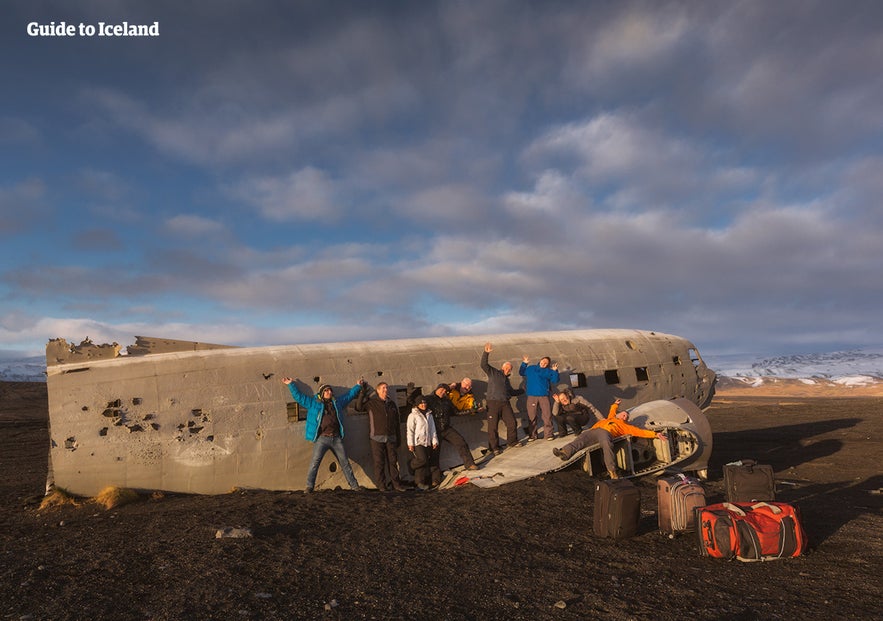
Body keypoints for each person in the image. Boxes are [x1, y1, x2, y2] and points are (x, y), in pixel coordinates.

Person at [282, 377, 364, 493]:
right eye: (326, 391)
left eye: (330, 390)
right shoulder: (313, 403)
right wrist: (290, 384)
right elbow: (299, 397)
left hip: (336, 438)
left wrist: (358, 386)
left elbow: (348, 396)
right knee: (315, 463)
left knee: (345, 463)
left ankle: (354, 486)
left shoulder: (337, 403)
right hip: (322, 438)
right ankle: (309, 487)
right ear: (321, 393)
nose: (329, 392)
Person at [552, 399, 667, 479]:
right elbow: (612, 410)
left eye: (626, 416)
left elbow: (640, 432)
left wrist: (655, 434)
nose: (624, 416)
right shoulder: (611, 417)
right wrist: (615, 405)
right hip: (593, 431)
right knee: (580, 439)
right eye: (623, 414)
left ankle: (612, 471)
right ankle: (565, 453)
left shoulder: (625, 426)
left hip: (605, 433)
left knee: (607, 445)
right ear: (618, 415)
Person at [357, 380, 406, 492]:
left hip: (391, 437)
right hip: (376, 437)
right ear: (378, 390)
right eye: (383, 388)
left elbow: (396, 422)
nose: (386, 390)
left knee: (393, 462)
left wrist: (398, 438)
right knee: (379, 462)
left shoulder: (392, 404)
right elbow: (358, 407)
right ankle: (381, 486)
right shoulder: (372, 403)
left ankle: (396, 485)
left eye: (386, 388)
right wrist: (362, 394)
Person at [480, 342, 524, 454]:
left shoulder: (507, 381)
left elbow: (511, 392)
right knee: (493, 427)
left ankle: (512, 442)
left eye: (510, 369)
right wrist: (486, 353)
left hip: (505, 403)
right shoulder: (494, 373)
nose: (509, 370)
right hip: (493, 403)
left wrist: (523, 390)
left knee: (512, 423)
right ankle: (494, 448)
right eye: (507, 368)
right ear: (502, 367)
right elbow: (483, 365)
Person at [426, 383, 479, 471]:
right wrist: (409, 394)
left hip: (446, 428)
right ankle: (435, 478)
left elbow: (456, 412)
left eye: (445, 391)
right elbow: (416, 403)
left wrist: (471, 411)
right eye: (442, 390)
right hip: (434, 430)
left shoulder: (447, 401)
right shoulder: (429, 399)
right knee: (435, 453)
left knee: (461, 442)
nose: (443, 392)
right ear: (437, 389)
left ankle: (470, 464)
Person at [519, 354, 560, 441]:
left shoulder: (548, 371)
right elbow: (521, 372)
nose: (544, 363)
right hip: (532, 396)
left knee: (547, 415)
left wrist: (555, 371)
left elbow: (555, 380)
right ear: (540, 360)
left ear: (547, 365)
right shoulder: (531, 368)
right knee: (532, 416)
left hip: (543, 396)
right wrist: (524, 363)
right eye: (543, 361)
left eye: (546, 363)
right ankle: (532, 435)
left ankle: (549, 434)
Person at [406, 395, 440, 490]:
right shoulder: (413, 415)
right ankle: (411, 465)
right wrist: (410, 443)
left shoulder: (429, 414)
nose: (423, 404)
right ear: (417, 405)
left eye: (424, 403)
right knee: (422, 460)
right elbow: (410, 430)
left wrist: (434, 441)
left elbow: (432, 429)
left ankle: (419, 482)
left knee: (424, 463)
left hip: (427, 441)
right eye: (421, 403)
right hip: (418, 442)